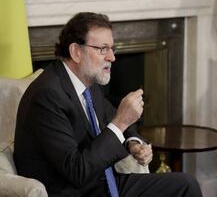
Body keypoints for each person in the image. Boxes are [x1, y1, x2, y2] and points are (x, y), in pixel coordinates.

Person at [13, 12, 202, 197]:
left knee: (186, 185)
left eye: (112, 48)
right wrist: (121, 121)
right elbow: (77, 171)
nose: (112, 57)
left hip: (103, 184)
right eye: (103, 49)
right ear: (76, 52)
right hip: (74, 191)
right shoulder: (47, 96)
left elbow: (113, 117)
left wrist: (134, 143)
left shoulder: (88, 83)